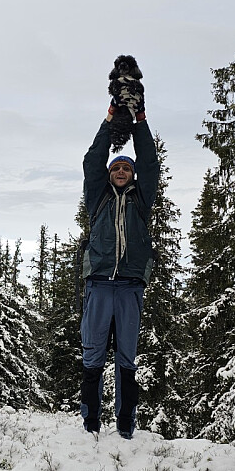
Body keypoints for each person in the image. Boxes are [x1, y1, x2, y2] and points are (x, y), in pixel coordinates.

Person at [80, 103, 157, 439]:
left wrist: (140, 121)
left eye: (127, 167)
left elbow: (151, 164)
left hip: (129, 287)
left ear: (133, 174)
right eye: (117, 168)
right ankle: (91, 425)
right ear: (110, 174)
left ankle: (125, 427)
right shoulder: (98, 197)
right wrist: (109, 119)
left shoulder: (142, 198)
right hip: (98, 284)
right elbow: (92, 161)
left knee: (127, 359)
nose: (122, 171)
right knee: (93, 355)